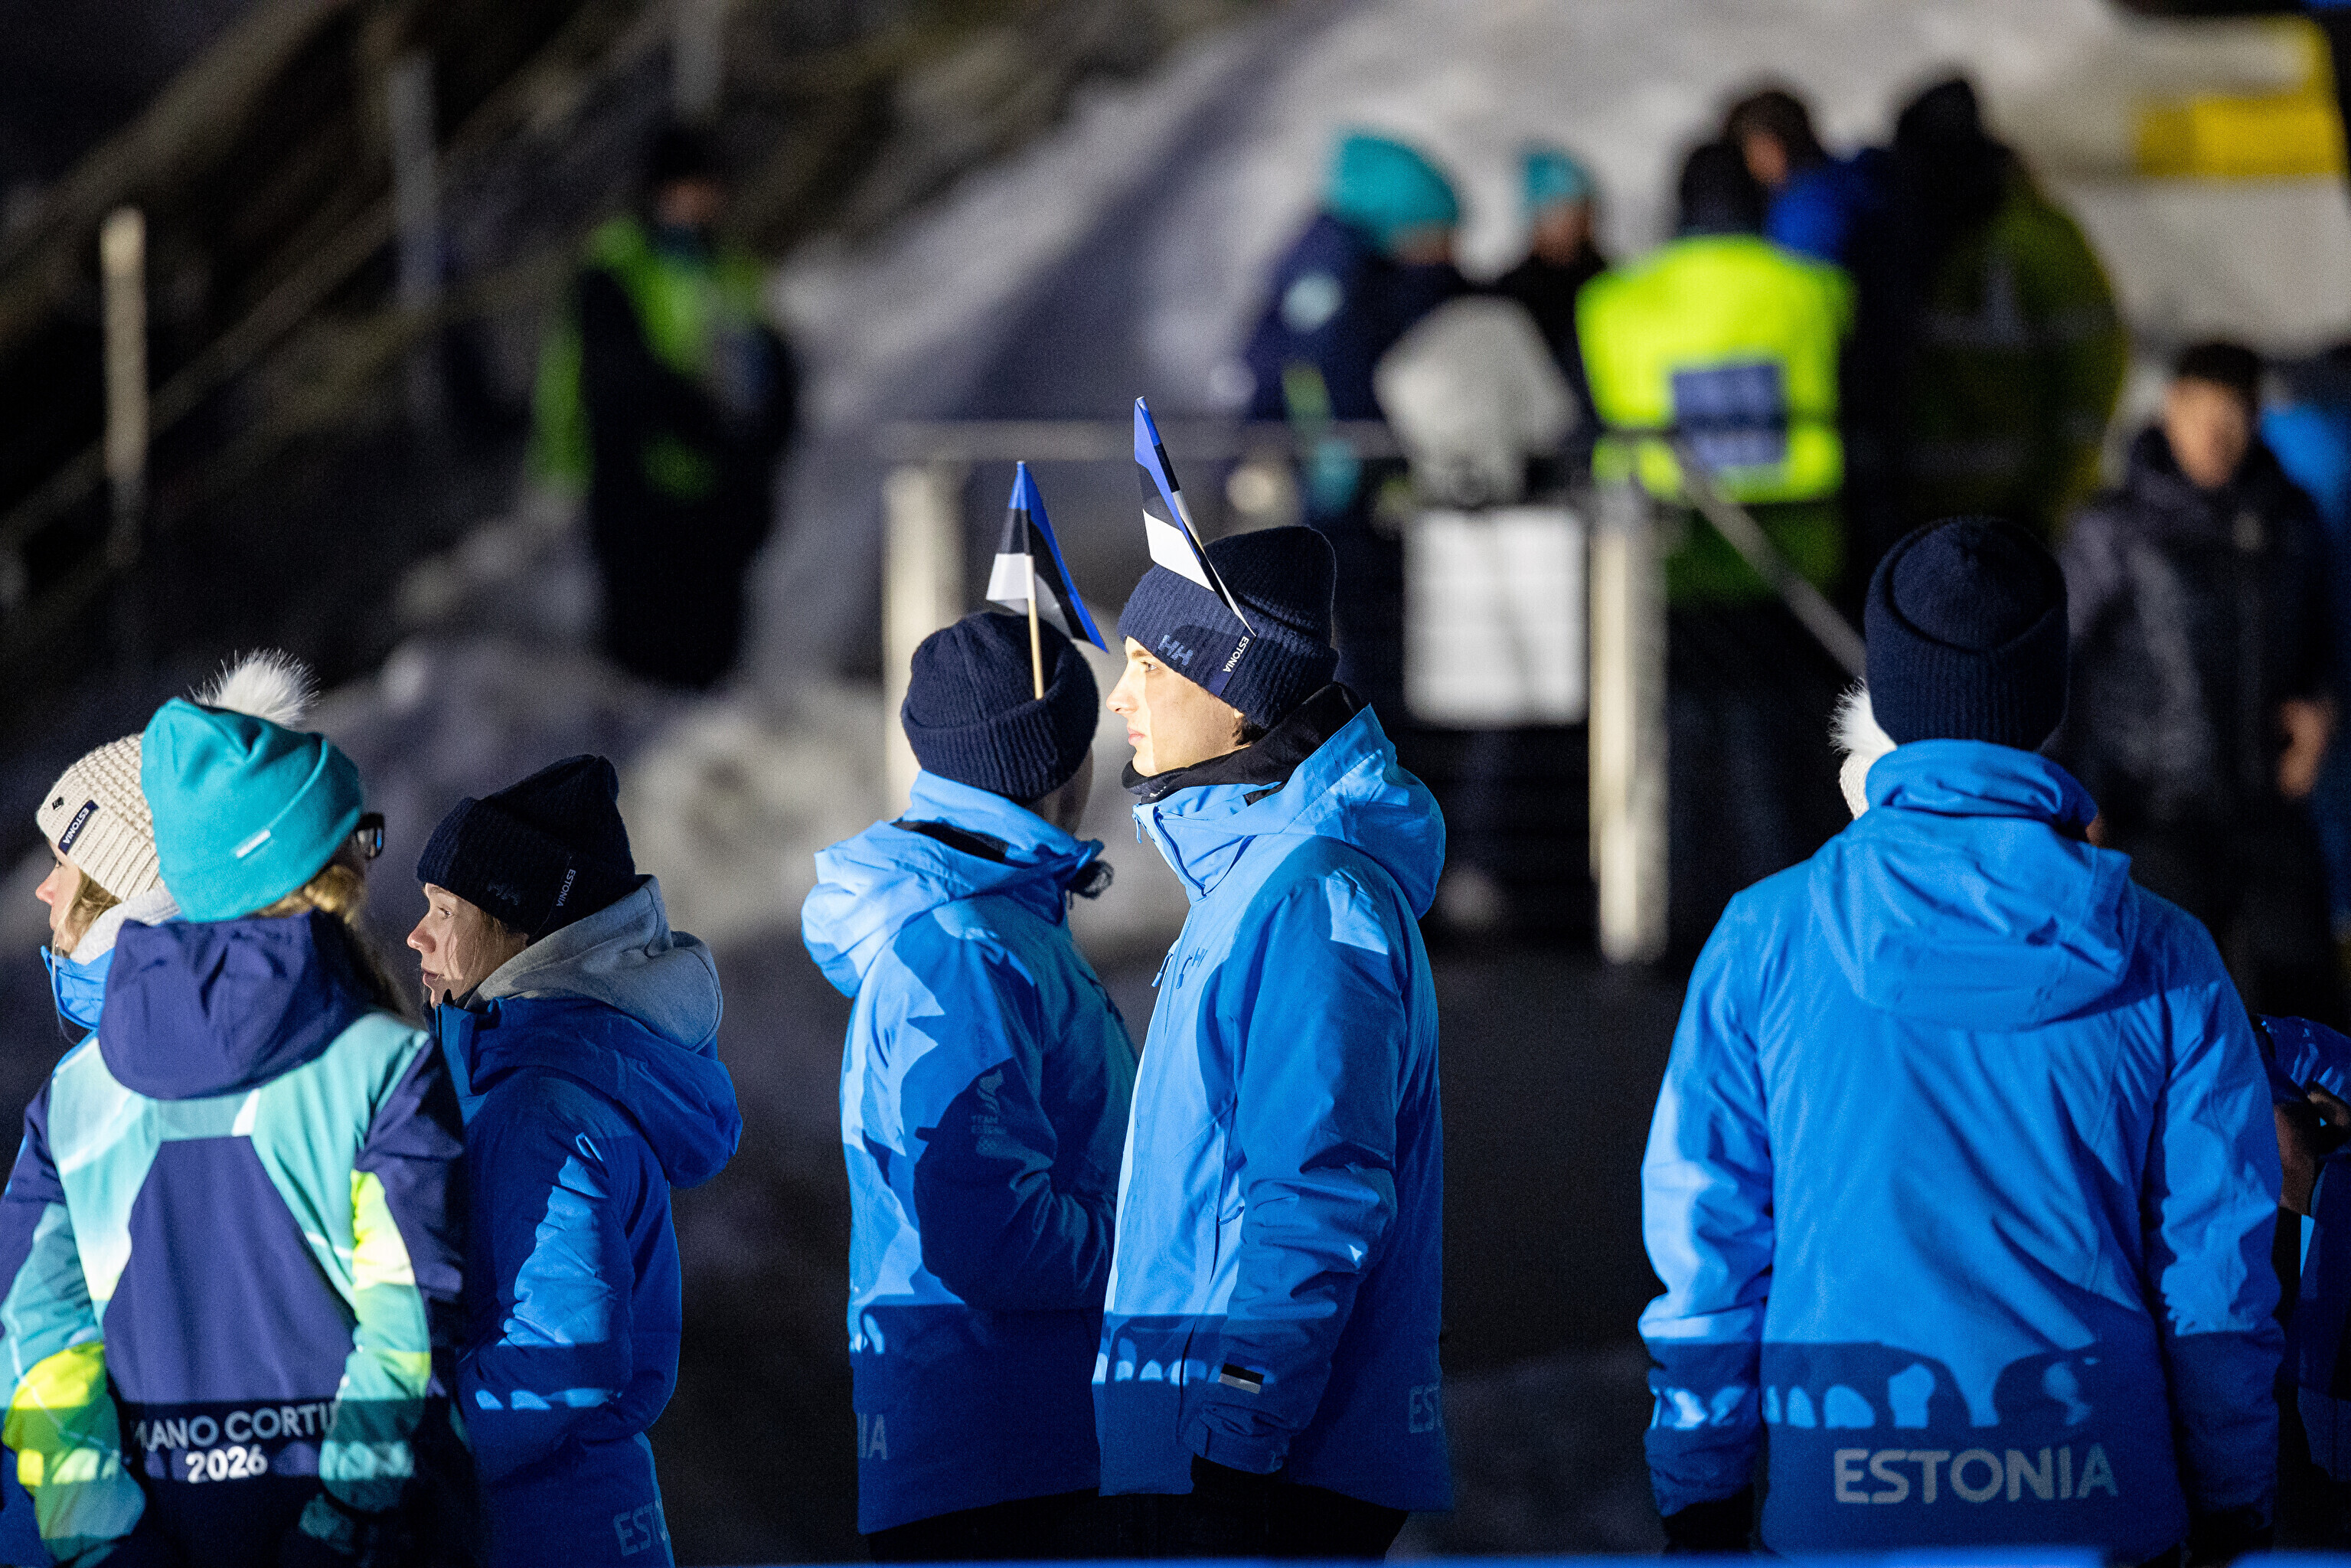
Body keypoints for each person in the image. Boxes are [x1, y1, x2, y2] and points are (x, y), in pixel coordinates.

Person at [1642, 515, 2282, 1560]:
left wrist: (1698, 1491)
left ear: (1888, 695)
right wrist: (2232, 1496)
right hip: (2096, 1500)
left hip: (1842, 1493)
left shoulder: (1765, 936)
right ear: (2044, 696)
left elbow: (1707, 1236)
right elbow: (2216, 1267)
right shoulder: (2166, 955)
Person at [0, 652, 467, 1567]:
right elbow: (408, 1323)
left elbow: (36, 1330)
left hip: (151, 1527)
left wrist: (101, 1539)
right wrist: (343, 1521)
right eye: (358, 838)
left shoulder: (75, 1095)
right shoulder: (385, 1064)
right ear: (324, 865)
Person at [1094, 526, 1448, 1557]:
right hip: (1204, 1440)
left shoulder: (1309, 898)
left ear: (1237, 695)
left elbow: (1316, 1191)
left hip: (1250, 1461)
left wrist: (1235, 1427)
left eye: (1149, 667)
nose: (1119, 699)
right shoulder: (1249, 885)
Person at [803, 612, 1136, 1560]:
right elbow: (990, 1234)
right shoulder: (967, 946)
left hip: (1012, 1448)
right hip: (1005, 1457)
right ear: (1065, 761)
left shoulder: (994, 925)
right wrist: (1151, 1243)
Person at [407, 754, 740, 1567]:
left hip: (539, 1530)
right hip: (588, 1514)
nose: (417, 934)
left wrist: (411, 1449)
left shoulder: (539, 1107)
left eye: (445, 910)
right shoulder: (562, 1075)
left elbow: (562, 1351)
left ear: (523, 929)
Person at [1576, 139, 1855, 949]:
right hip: (1789, 567)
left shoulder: (1612, 301)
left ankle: (1675, 924)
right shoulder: (1813, 290)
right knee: (1780, 757)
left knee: (1673, 756)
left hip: (1664, 567)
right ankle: (1783, 925)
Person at [2053, 340, 2343, 1024]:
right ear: (2171, 408)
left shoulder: (2289, 519)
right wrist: (2068, 794)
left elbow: (2325, 633)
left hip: (2266, 806)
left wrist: (2320, 713)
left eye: (2232, 418)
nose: (2216, 438)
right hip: (2153, 812)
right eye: (2202, 415)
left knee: (2309, 1009)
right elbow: (2057, 658)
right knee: (2167, 1009)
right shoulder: (2114, 528)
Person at [532, 126, 798, 689]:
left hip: (717, 495)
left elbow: (774, 367)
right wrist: (703, 423)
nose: (703, 201)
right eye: (690, 186)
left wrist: (760, 453)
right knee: (645, 662)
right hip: (639, 494)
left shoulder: (730, 268)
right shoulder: (615, 269)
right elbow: (616, 382)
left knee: (713, 655)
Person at [1240, 130, 1468, 720]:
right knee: (1346, 642)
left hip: (1336, 486)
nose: (1446, 254)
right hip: (1332, 492)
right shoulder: (1335, 277)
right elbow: (1329, 376)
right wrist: (1358, 462)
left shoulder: (1337, 265)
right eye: (1437, 235)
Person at [1890, 77, 2124, 540]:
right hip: (1918, 519)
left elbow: (2091, 381)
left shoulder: (2032, 242)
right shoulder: (1907, 237)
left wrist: (2048, 505)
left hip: (2013, 519)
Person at [1724, 85, 1908, 580]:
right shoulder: (1860, 187)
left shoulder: (1806, 213)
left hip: (1848, 397)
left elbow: (1805, 311)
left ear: (1768, 148)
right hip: (1895, 385)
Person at [1489, 145, 1608, 459]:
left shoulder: (1614, 282)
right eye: (1563, 209)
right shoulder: (1506, 295)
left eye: (1584, 209)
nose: (1578, 222)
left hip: (1604, 433)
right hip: (1538, 442)